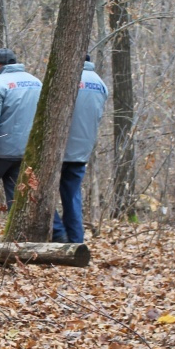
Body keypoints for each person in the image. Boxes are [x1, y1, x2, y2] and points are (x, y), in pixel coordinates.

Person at [0, 48, 42, 242]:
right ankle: (17, 240)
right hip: (26, 152)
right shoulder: (36, 82)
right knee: (16, 197)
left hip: (0, 153)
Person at [52, 54, 108, 243]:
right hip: (82, 151)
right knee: (72, 197)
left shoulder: (66, 78)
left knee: (38, 191)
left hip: (59, 149)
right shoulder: (100, 84)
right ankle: (76, 241)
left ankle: (58, 232)